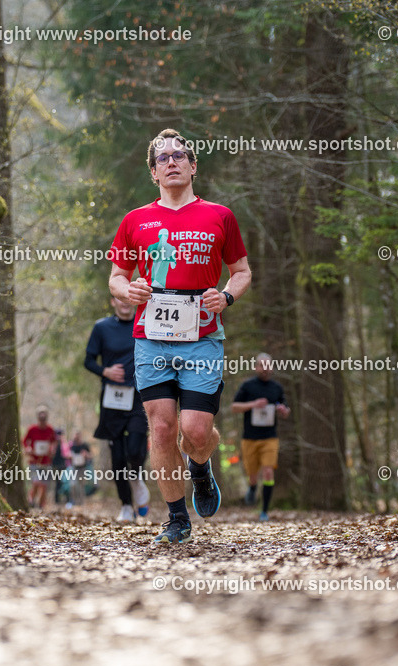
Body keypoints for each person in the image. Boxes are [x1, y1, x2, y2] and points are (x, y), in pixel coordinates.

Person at [108, 128, 251, 543]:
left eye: (179, 155)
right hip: (151, 338)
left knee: (197, 431)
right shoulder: (135, 220)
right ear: (154, 172)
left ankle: (201, 469)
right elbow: (118, 276)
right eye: (163, 158)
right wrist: (127, 288)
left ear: (193, 166)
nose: (172, 161)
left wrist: (225, 295)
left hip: (202, 336)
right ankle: (176, 519)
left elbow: (241, 271)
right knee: (163, 429)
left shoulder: (220, 216)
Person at [85, 296, 152, 521]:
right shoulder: (102, 327)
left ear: (134, 301)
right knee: (117, 455)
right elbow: (89, 360)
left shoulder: (146, 322)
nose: (124, 302)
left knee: (135, 448)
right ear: (112, 301)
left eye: (128, 298)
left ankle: (137, 478)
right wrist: (106, 371)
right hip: (112, 398)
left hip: (139, 396)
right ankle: (126, 506)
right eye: (120, 298)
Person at [231, 353, 290, 521]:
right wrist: (253, 405)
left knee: (268, 471)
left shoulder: (277, 388)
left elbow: (285, 407)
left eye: (268, 365)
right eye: (262, 365)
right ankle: (252, 486)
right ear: (256, 367)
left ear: (272, 367)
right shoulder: (247, 386)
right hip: (249, 437)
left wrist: (283, 410)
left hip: (270, 437)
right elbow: (234, 407)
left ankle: (264, 510)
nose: (265, 368)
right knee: (252, 473)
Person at [23, 405, 57, 509]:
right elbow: (25, 441)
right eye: (40, 417)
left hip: (46, 462)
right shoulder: (32, 429)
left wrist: (52, 450)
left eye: (44, 417)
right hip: (34, 461)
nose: (42, 420)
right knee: (36, 482)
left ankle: (41, 506)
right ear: (38, 417)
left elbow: (54, 442)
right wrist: (27, 448)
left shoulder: (50, 429)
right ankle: (31, 501)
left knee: (44, 485)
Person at [68, 431, 92, 507]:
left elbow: (90, 456)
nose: (76, 439)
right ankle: (73, 501)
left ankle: (81, 502)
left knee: (81, 486)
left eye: (77, 437)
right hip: (74, 467)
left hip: (82, 468)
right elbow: (67, 455)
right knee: (73, 484)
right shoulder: (72, 446)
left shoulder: (84, 445)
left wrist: (86, 454)